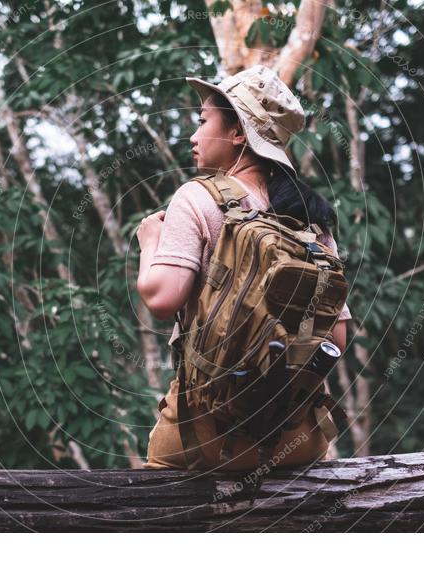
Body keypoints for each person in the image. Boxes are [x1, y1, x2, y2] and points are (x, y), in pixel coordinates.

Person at [136, 65, 352, 471]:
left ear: (238, 133)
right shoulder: (310, 215)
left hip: (208, 440)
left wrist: (149, 242)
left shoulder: (197, 198)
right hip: (299, 439)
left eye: (202, 122)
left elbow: (161, 299)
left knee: (152, 509)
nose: (193, 135)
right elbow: (336, 337)